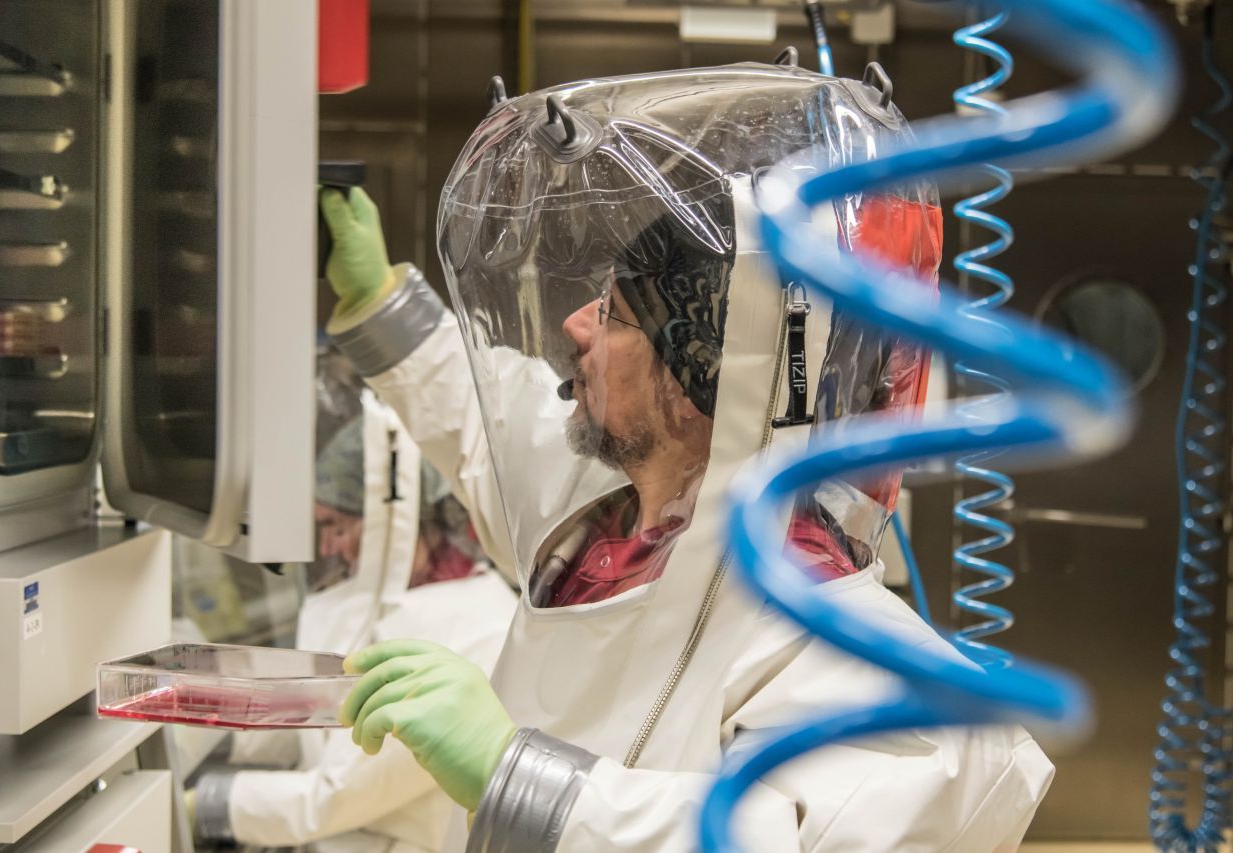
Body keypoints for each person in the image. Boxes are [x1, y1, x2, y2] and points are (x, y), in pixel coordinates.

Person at [321, 62, 1054, 851]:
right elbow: (479, 419)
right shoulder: (610, 518)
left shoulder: (842, 644)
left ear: (698, 381)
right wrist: (378, 303)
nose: (575, 325)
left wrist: (513, 775)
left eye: (615, 313)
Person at [188, 386, 518, 853]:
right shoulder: (387, 601)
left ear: (393, 522)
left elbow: (337, 794)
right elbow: (318, 715)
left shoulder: (477, 628)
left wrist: (205, 803)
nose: (326, 548)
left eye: (336, 527)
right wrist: (210, 729)